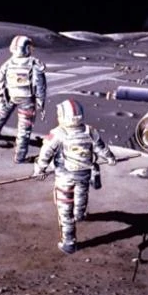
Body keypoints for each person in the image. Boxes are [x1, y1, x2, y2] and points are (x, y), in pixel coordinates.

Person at [33, 99, 116, 254]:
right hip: (84, 173)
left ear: (63, 116)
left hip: (64, 177)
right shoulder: (89, 131)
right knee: (81, 195)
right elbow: (101, 147)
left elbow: (46, 153)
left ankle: (69, 242)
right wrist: (110, 158)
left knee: (65, 209)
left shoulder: (58, 133)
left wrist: (40, 169)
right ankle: (80, 214)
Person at [0, 35, 47, 163]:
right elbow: (40, 84)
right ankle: (20, 156)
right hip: (27, 99)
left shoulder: (7, 64)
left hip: (9, 96)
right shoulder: (34, 64)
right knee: (24, 128)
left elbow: (0, 82)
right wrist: (40, 101)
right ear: (26, 48)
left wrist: (1, 96)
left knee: (1, 115)